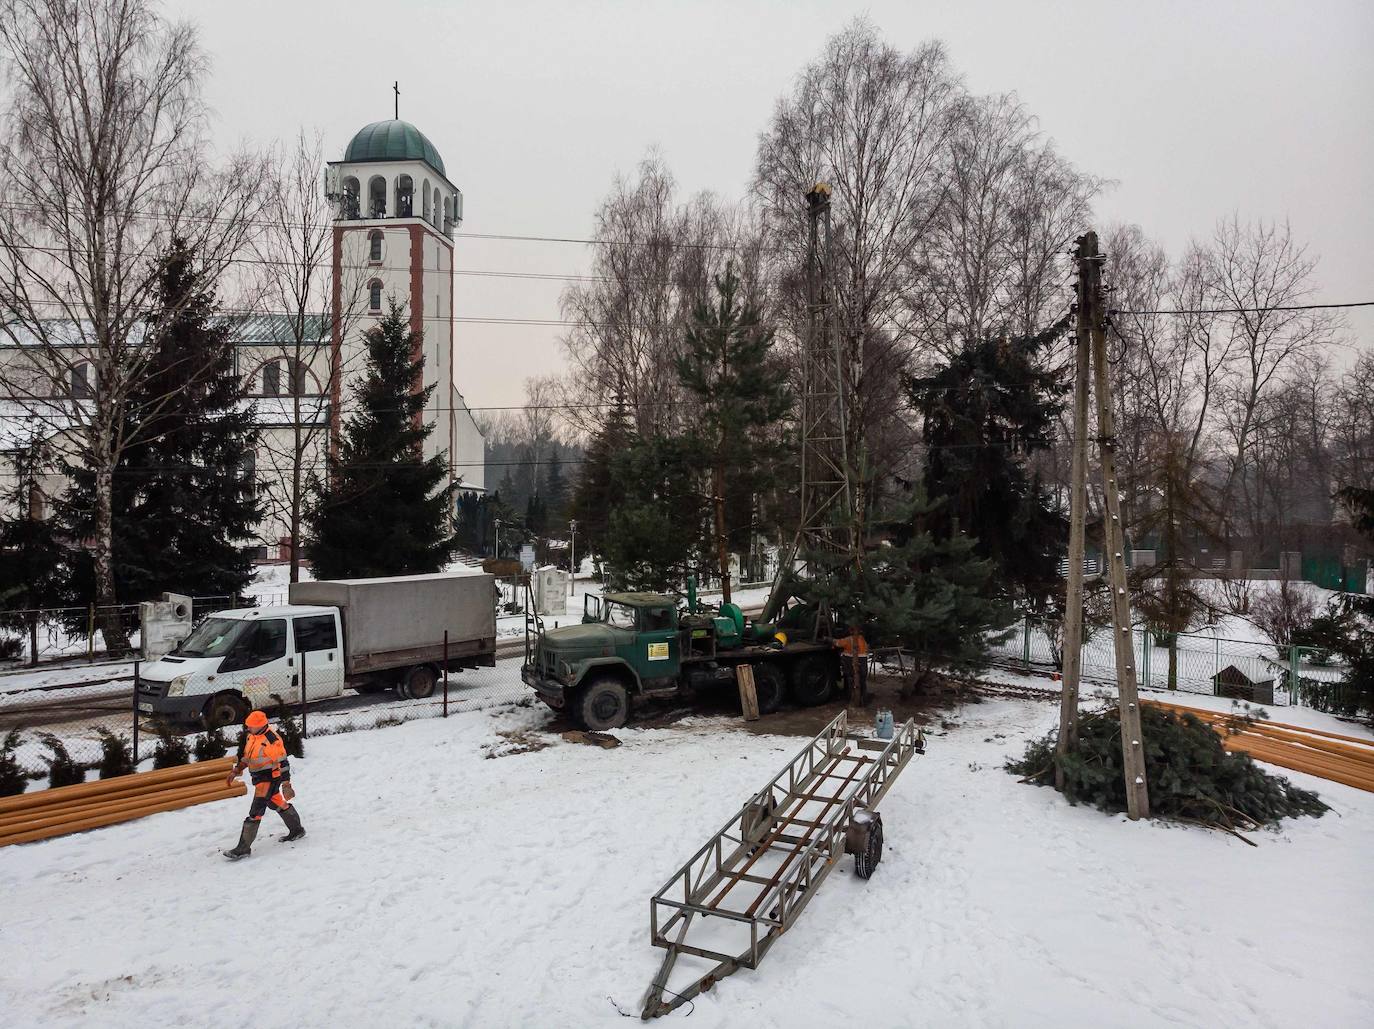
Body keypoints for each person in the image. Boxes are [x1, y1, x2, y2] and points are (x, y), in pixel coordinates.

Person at [222, 710, 305, 860]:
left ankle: (243, 848)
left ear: (260, 726)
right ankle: (297, 830)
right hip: (259, 778)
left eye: (251, 726)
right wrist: (236, 770)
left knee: (256, 811)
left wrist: (286, 784)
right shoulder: (252, 737)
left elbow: (283, 763)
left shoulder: (271, 740)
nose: (248, 729)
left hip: (269, 779)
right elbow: (247, 757)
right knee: (277, 803)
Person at [834, 625, 870, 705]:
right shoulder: (862, 639)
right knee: (863, 682)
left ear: (851, 631)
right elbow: (866, 649)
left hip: (852, 664)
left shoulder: (849, 639)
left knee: (851, 681)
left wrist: (828, 639)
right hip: (863, 663)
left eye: (850, 630)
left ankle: (852, 700)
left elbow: (838, 643)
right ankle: (864, 700)